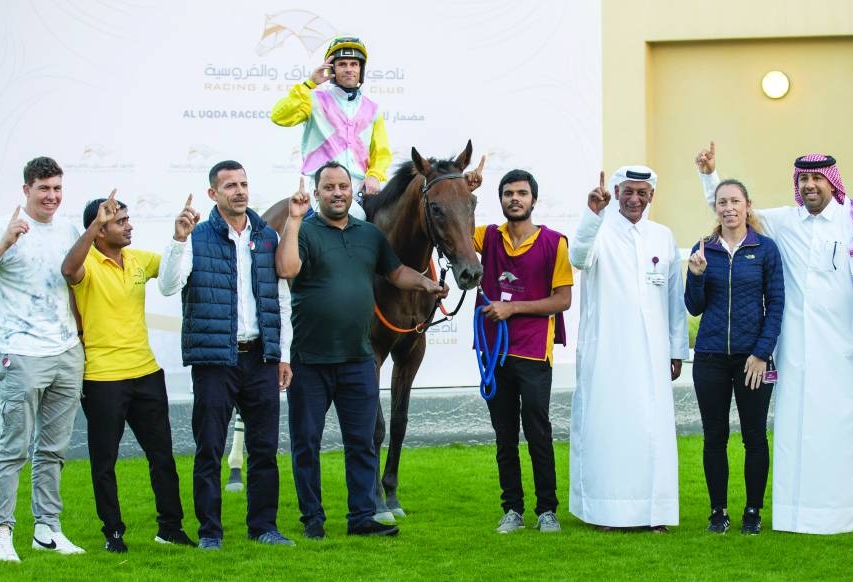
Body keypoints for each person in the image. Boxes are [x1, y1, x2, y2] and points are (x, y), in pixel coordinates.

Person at [696, 142, 853, 534]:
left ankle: (842, 513)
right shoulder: (786, 222)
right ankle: (794, 514)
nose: (810, 185)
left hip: (843, 352)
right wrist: (709, 174)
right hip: (795, 350)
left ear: (832, 182)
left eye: (817, 178)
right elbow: (731, 211)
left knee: (840, 431)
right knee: (794, 432)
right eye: (803, 179)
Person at [275, 161, 447, 539]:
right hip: (311, 359)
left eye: (343, 186)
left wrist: (427, 285)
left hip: (357, 357)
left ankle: (362, 518)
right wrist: (294, 219)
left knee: (362, 442)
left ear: (351, 191)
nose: (337, 192)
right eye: (329, 187)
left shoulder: (369, 235)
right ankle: (313, 519)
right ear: (317, 193)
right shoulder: (304, 230)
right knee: (306, 443)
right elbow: (286, 269)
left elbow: (395, 272)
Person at [158, 160, 294, 550]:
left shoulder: (267, 236)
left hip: (261, 358)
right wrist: (178, 239)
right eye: (230, 185)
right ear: (212, 193)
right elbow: (168, 286)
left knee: (264, 449)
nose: (239, 191)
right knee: (210, 449)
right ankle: (210, 532)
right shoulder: (196, 237)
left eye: (243, 184)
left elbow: (280, 298)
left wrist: (283, 354)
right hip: (215, 360)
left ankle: (263, 527)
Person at [61, 192, 194, 553]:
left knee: (162, 456)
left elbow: (175, 272)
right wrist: (93, 225)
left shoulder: (137, 259)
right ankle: (113, 533)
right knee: (105, 462)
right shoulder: (85, 261)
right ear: (100, 229)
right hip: (102, 378)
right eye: (120, 221)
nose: (129, 226)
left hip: (147, 372)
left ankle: (170, 528)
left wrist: (180, 237)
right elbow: (69, 271)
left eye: (127, 219)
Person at [0, 157, 85, 562]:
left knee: (53, 449)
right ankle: (0, 533)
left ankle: (47, 530)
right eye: (43, 189)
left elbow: (74, 284)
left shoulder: (68, 229)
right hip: (20, 354)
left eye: (57, 188)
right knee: (13, 448)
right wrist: (4, 243)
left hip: (66, 353)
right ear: (26, 190)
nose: (51, 196)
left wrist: (80, 340)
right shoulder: (1, 228)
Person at [569, 166, 688, 532]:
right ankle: (606, 512)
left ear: (651, 196)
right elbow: (578, 258)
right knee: (609, 429)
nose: (635, 199)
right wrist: (592, 213)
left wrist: (676, 349)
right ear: (616, 193)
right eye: (628, 192)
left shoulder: (662, 236)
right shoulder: (599, 229)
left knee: (652, 432)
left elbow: (674, 298)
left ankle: (654, 514)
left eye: (642, 193)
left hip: (652, 353)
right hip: (607, 352)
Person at [472, 169, 573, 534]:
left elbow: (562, 300)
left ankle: (547, 510)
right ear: (500, 199)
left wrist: (511, 307)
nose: (515, 198)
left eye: (521, 193)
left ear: (533, 199)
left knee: (537, 432)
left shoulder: (554, 243)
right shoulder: (486, 236)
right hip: (493, 352)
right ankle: (512, 509)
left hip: (533, 353)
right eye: (508, 193)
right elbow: (452, 227)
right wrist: (467, 191)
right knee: (504, 435)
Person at [685, 179, 784, 535]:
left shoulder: (765, 249)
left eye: (735, 201)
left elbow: (776, 304)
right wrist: (696, 276)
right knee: (714, 436)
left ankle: (753, 512)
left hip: (752, 360)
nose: (728, 208)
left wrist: (761, 353)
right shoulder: (704, 249)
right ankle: (718, 512)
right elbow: (694, 307)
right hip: (710, 357)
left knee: (754, 437)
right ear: (716, 208)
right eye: (722, 202)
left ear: (747, 205)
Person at [271, 36, 390, 221]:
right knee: (355, 215)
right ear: (332, 69)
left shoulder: (373, 109)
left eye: (354, 64)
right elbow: (279, 116)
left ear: (361, 69)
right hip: (324, 184)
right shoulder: (313, 99)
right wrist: (309, 84)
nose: (349, 69)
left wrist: (374, 175)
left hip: (360, 185)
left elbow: (381, 153)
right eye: (342, 64)